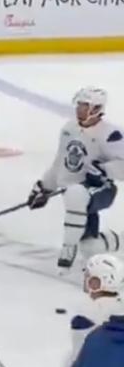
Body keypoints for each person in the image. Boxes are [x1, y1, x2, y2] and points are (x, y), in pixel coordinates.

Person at [28, 86, 124, 269]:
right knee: (90, 249)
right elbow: (59, 164)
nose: (80, 110)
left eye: (85, 106)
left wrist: (104, 170)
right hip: (77, 195)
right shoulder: (69, 129)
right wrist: (44, 187)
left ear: (97, 109)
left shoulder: (111, 134)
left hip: (101, 189)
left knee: (76, 193)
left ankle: (68, 247)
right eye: (79, 105)